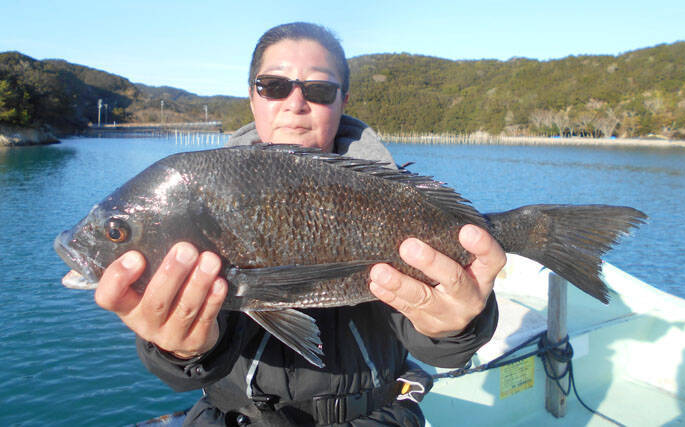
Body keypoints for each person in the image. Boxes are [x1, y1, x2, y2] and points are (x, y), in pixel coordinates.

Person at [94, 22, 505, 426]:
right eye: (273, 86)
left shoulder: (393, 198)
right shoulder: (205, 202)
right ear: (251, 97)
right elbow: (184, 370)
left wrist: (458, 325)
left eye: (320, 91)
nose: (295, 103)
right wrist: (177, 351)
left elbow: (439, 350)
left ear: (343, 101)